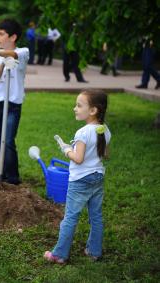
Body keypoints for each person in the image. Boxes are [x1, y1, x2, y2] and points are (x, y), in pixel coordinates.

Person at [44, 89, 111, 264]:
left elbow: (78, 159)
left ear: (93, 110)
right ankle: (94, 251)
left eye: (79, 105)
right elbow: (105, 154)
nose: (75, 108)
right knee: (96, 216)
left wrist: (66, 149)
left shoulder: (82, 133)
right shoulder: (104, 130)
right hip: (97, 178)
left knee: (71, 217)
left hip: (80, 180)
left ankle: (59, 254)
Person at [0, 19, 29, 185]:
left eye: (1, 34)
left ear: (13, 37)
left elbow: (14, 56)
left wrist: (0, 54)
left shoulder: (23, 52)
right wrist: (1, 62)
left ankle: (13, 179)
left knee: (8, 140)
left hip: (13, 104)